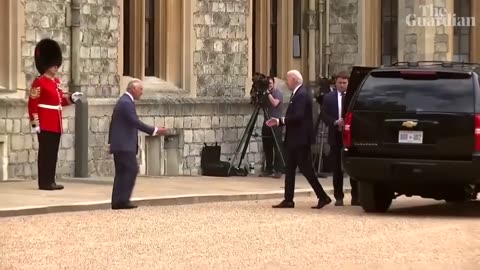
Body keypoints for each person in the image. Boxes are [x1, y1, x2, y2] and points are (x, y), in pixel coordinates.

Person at [266, 70, 332, 209]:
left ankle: (323, 196)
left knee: (306, 169)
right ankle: (288, 199)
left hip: (300, 139)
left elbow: (298, 116)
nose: (287, 82)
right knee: (290, 169)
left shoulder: (301, 94)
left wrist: (280, 121)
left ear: (295, 79)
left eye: (288, 79)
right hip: (295, 138)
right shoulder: (298, 93)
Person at [27, 38, 83, 191]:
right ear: (46, 65)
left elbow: (59, 102)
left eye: (57, 64)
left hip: (56, 124)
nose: (56, 67)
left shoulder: (55, 82)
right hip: (44, 123)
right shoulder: (39, 82)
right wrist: (35, 123)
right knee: (45, 154)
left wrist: (72, 99)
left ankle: (50, 180)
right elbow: (32, 104)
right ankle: (43, 182)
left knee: (52, 154)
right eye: (53, 64)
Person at [108, 79, 167, 210]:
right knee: (131, 170)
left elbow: (113, 123)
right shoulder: (126, 102)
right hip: (124, 145)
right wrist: (155, 130)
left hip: (121, 144)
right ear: (132, 89)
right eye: (140, 89)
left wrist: (111, 142)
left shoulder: (125, 101)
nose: (142, 92)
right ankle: (122, 200)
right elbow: (135, 122)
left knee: (122, 172)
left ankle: (118, 201)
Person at [321, 71, 359, 206]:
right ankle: (339, 197)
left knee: (353, 167)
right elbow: (324, 116)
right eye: (340, 83)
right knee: (337, 168)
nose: (342, 85)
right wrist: (335, 122)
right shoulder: (328, 98)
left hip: (349, 136)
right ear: (335, 83)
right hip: (335, 136)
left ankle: (356, 197)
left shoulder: (353, 97)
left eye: (344, 83)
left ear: (348, 84)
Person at [260, 76, 284, 178]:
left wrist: (268, 93)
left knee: (277, 147)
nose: (269, 86)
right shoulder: (265, 94)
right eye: (267, 84)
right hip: (266, 123)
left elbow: (275, 103)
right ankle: (268, 168)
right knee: (267, 147)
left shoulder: (277, 93)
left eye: (270, 83)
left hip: (276, 123)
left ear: (274, 83)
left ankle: (278, 169)